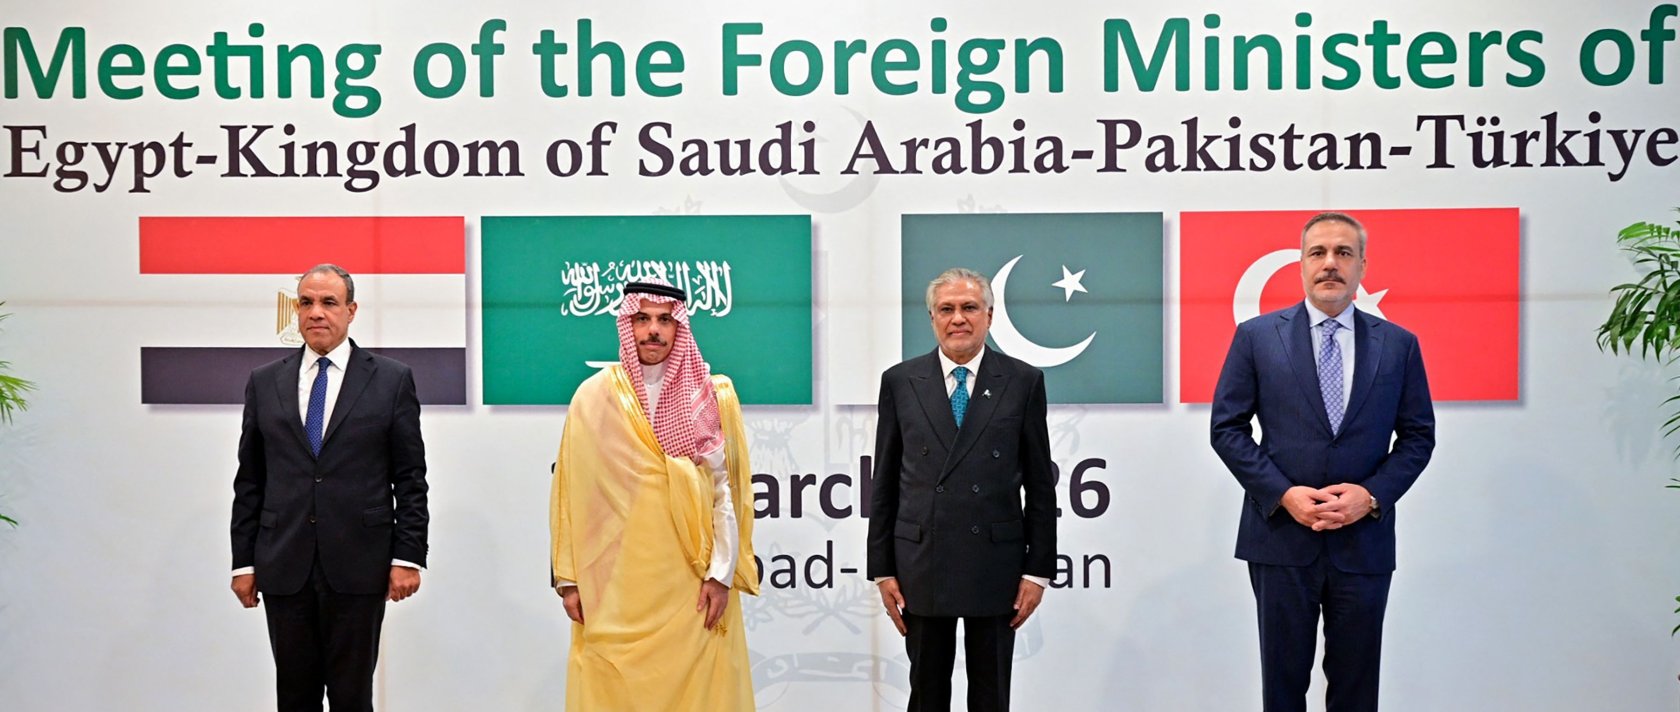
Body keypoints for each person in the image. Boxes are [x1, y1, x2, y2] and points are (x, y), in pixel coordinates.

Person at [1210, 212, 1436, 712]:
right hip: (1280, 539)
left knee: (1357, 688)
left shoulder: (1398, 345)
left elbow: (1419, 437)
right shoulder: (1257, 336)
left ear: (1361, 266)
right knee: (1283, 687)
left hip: (1364, 542)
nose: (1330, 264)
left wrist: (1371, 496)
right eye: (1318, 253)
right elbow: (1226, 428)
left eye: (1343, 253)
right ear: (1301, 264)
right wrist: (1283, 494)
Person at [549, 279, 759, 711]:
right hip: (617, 587)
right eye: (642, 319)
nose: (653, 331)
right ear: (627, 324)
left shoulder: (712, 395)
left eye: (665, 320)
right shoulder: (594, 398)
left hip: (690, 579)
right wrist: (570, 580)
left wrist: (720, 575)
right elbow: (572, 496)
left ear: (680, 327)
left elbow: (725, 494)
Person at [229, 263, 430, 712]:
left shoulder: (392, 379)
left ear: (351, 310)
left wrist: (408, 556)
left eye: (328, 302)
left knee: (351, 697)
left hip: (360, 565)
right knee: (293, 698)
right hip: (284, 564)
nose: (316, 312)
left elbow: (411, 478)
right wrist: (243, 562)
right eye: (306, 302)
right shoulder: (264, 382)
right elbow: (250, 479)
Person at [867, 267, 1056, 712]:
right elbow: (885, 482)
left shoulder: (1024, 381)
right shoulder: (900, 382)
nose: (958, 318)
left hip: (997, 564)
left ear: (989, 316)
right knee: (927, 693)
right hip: (921, 563)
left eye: (969, 307)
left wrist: (1037, 570)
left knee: (991, 696)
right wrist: (882, 568)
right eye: (946, 309)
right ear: (931, 318)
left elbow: (1040, 486)